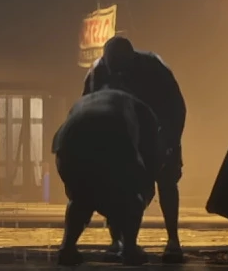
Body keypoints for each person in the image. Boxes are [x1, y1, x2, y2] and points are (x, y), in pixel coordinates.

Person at [82, 35, 187, 263]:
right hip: (120, 136)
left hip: (158, 128)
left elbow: (176, 107)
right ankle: (118, 239)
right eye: (114, 69)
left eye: (121, 68)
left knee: (167, 180)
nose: (118, 74)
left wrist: (170, 142)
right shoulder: (97, 72)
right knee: (115, 185)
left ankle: (173, 239)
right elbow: (88, 108)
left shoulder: (154, 67)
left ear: (131, 58)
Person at [53, 88, 161, 267]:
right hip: (112, 133)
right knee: (134, 194)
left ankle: (67, 248)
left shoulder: (89, 100)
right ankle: (129, 248)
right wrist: (145, 190)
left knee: (80, 197)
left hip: (67, 141)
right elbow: (151, 161)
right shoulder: (145, 112)